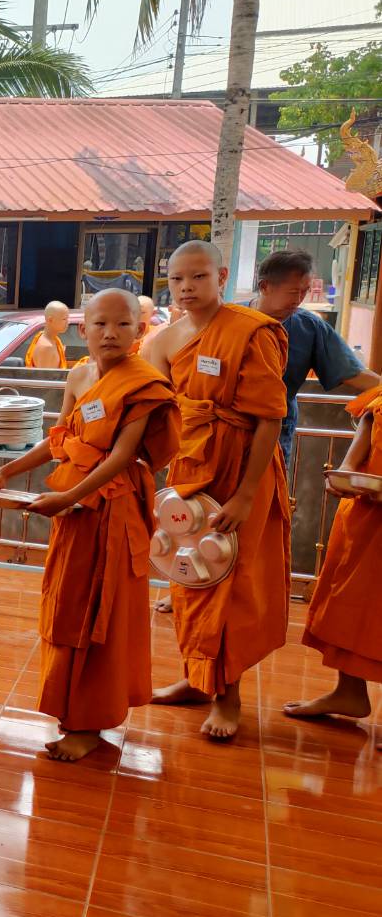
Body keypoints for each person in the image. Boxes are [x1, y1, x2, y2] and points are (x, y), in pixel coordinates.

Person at [0, 291, 180, 760]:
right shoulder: (79, 375)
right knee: (68, 603)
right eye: (100, 324)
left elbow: (123, 456)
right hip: (75, 508)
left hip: (112, 508)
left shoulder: (144, 384)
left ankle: (91, 722)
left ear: (139, 330)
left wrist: (68, 497)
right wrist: (7, 470)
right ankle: (71, 712)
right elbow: (60, 439)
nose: (110, 333)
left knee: (101, 609)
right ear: (82, 329)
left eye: (123, 324)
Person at [143, 241, 290, 741]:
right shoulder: (165, 339)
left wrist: (245, 495)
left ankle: (229, 696)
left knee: (230, 580)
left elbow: (269, 417)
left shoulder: (250, 331)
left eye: (198, 277)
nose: (186, 287)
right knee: (188, 575)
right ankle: (196, 678)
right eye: (177, 279)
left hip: (241, 468)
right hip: (189, 468)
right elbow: (151, 408)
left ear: (221, 276)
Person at [283, 383, 382, 735]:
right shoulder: (377, 404)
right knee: (347, 603)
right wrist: (342, 479)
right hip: (365, 519)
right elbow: (350, 463)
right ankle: (349, 692)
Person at [249, 249, 378, 465]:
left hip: (276, 432)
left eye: (305, 291)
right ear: (264, 286)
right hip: (229, 429)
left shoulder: (309, 327)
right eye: (293, 292)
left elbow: (353, 373)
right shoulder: (230, 318)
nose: (299, 299)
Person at [25, 301, 70, 369]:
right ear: (50, 320)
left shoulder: (53, 340)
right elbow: (43, 376)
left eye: (67, 318)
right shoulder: (47, 347)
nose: (68, 322)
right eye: (64, 319)